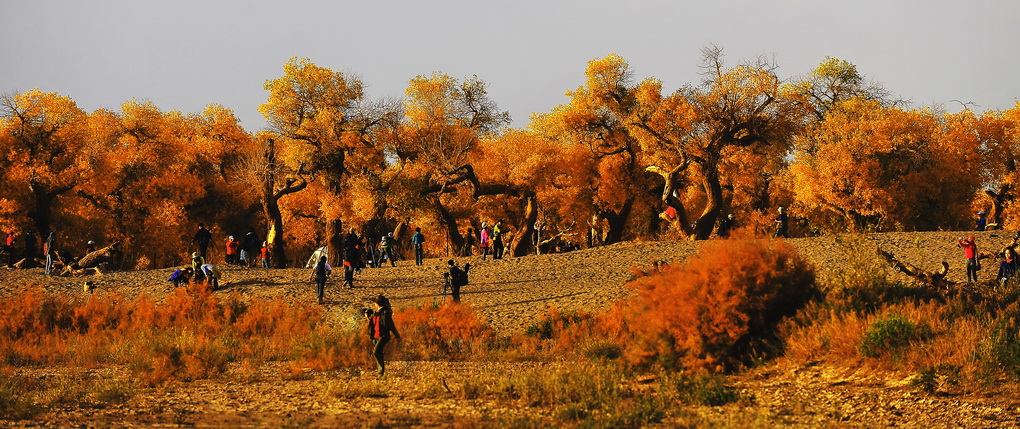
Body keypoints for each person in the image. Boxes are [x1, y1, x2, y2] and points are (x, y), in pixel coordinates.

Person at [364, 294, 400, 376]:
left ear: (377, 304)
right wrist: (368, 317)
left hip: (383, 336)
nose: (374, 304)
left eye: (375, 303)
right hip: (375, 336)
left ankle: (381, 372)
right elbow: (373, 323)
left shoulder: (385, 313)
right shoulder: (376, 313)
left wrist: (397, 335)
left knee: (376, 352)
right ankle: (381, 372)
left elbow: (391, 325)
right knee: (379, 353)